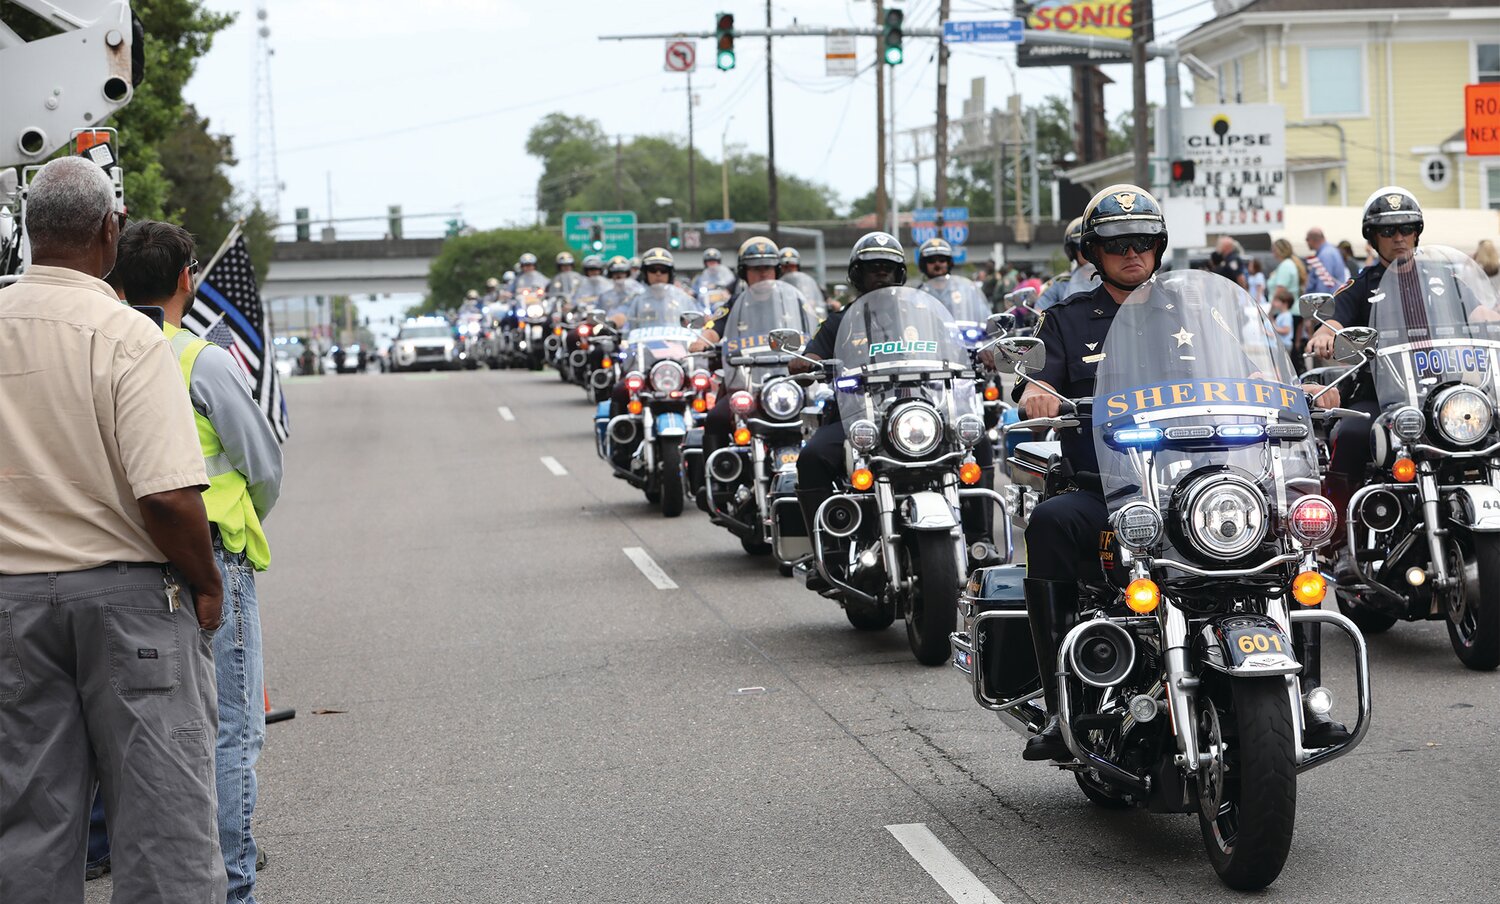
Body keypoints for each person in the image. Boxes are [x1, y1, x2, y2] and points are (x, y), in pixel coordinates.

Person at [0, 156, 226, 903]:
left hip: (10, 606)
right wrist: (205, 580)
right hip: (128, 602)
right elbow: (165, 495)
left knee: (26, 825)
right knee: (162, 824)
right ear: (109, 230)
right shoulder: (130, 337)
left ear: (32, 233)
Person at [114, 221, 284, 904]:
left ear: (117, 281)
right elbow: (262, 465)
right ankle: (233, 891)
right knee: (231, 734)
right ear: (188, 279)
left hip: (125, 563)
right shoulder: (202, 359)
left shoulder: (109, 356)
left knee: (148, 740)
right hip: (213, 563)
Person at [1036, 217, 1098, 312]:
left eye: (1092, 246)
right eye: (1081, 247)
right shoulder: (1060, 283)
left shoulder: (1114, 278)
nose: (1088, 251)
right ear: (1072, 251)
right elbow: (1040, 311)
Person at [1268, 237, 1308, 354]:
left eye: (1274, 250)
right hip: (1293, 310)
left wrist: (1270, 311)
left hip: (1286, 310)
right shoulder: (1290, 264)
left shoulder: (1285, 265)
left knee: (1286, 350)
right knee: (1293, 346)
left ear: (1278, 251)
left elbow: (1280, 290)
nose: (1272, 253)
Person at [1304, 226, 1349, 296]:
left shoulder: (1325, 255)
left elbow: (1324, 286)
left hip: (1326, 303)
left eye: (1307, 239)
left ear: (1313, 239)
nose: (1306, 242)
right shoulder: (1330, 251)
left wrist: (1319, 304)